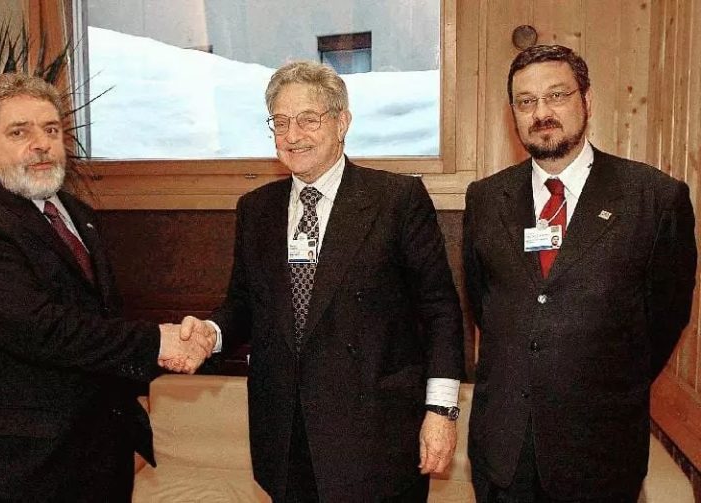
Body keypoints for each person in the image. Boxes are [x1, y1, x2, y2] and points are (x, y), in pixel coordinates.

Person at [180, 61, 464, 502]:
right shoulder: (257, 209)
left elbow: (441, 312)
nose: (292, 135)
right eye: (280, 122)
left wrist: (441, 410)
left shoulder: (395, 200)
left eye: (308, 119)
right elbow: (243, 304)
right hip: (287, 439)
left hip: (376, 439)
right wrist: (212, 333)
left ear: (342, 122)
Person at [0, 73, 215, 502]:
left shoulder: (77, 213)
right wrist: (159, 341)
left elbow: (99, 318)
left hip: (99, 455)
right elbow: (37, 328)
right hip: (19, 468)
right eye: (19, 132)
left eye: (51, 130)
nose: (41, 144)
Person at [462, 44, 697, 502]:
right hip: (504, 452)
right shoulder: (486, 199)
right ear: (513, 113)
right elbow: (484, 303)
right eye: (526, 101)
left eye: (556, 95)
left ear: (586, 100)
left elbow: (665, 318)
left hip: (600, 452)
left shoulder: (654, 199)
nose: (541, 113)